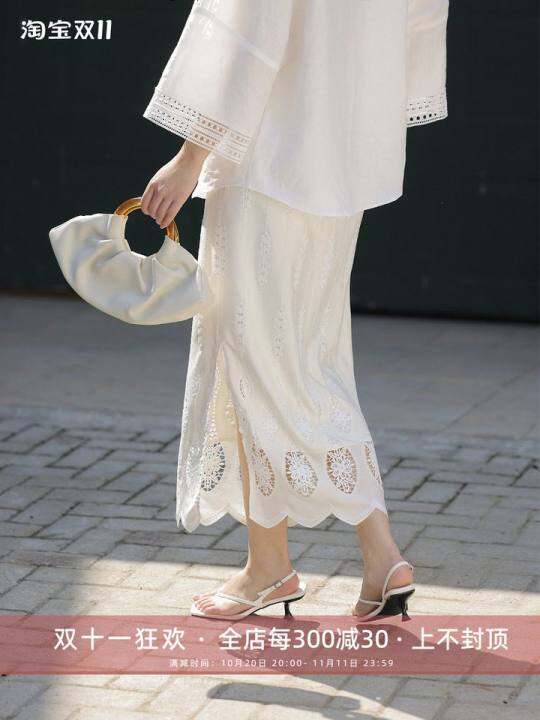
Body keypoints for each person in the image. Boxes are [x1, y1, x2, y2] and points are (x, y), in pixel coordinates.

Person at [141, 0, 449, 619]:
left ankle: (321, 559)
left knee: (256, 360)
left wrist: (189, 157)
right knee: (303, 361)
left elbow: (248, 34)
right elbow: (419, 22)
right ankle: (316, 561)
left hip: (269, 161)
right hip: (342, 162)